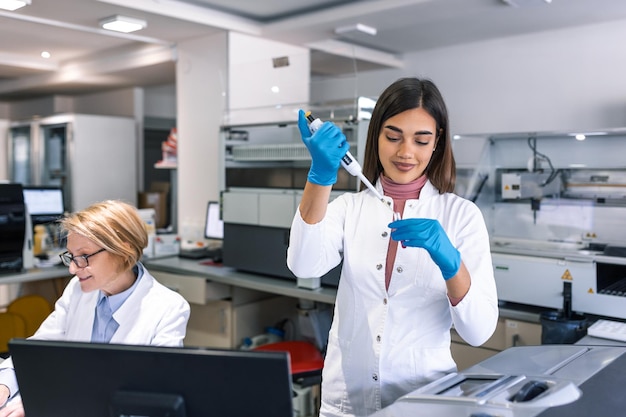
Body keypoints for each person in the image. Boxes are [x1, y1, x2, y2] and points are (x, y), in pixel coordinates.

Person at [287, 77, 499, 417]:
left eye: (421, 139)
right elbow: (303, 265)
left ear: (437, 142)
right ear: (376, 136)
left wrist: (451, 263)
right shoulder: (349, 208)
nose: (405, 152)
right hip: (347, 401)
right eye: (393, 136)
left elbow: (479, 332)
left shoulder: (461, 216)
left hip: (425, 402)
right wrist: (320, 176)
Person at [0, 200, 190, 417]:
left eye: (84, 257)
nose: (73, 268)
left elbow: (156, 398)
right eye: (71, 256)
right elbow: (38, 351)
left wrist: (51, 402)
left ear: (123, 251)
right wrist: (5, 386)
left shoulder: (168, 308)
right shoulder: (78, 290)